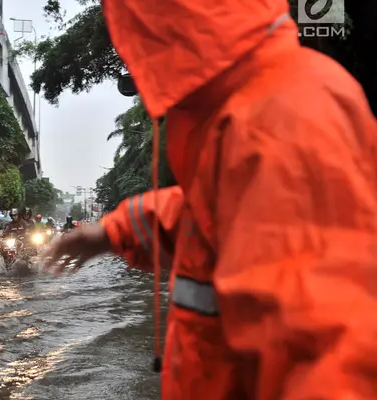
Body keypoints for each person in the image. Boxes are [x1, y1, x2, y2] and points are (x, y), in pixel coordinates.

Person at [43, 0, 377, 397]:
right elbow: (206, 220)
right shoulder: (244, 106)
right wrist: (114, 232)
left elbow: (330, 357)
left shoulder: (282, 118)